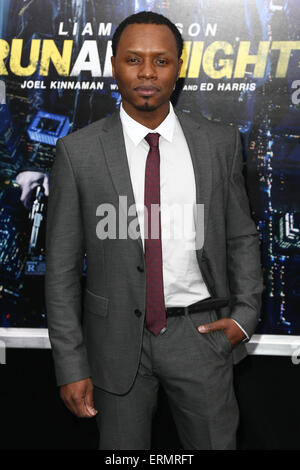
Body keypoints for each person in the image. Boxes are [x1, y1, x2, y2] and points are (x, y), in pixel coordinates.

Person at [45, 11, 264, 450]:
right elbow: (62, 270)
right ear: (113, 65)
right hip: (113, 346)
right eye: (134, 59)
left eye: (161, 61)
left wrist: (245, 316)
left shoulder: (218, 143)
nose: (147, 72)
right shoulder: (78, 152)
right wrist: (71, 365)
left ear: (179, 67)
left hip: (201, 337)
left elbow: (241, 236)